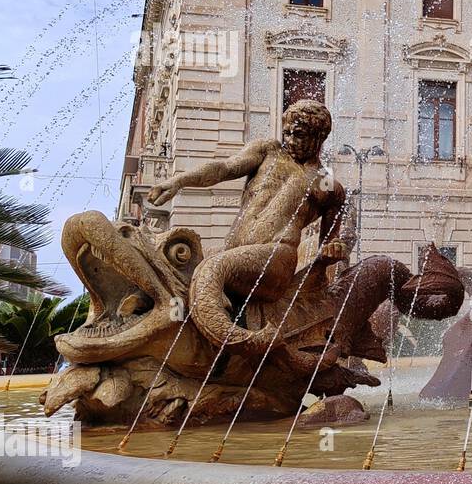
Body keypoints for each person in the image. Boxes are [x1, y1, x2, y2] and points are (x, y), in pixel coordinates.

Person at [146, 100, 348, 353]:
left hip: (276, 257)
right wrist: (180, 181)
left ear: (319, 137)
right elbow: (224, 168)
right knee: (171, 271)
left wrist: (333, 250)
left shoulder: (326, 184)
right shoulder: (267, 151)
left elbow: (330, 243)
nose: (290, 140)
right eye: (286, 132)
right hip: (235, 252)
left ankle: (243, 342)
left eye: (299, 135)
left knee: (213, 268)